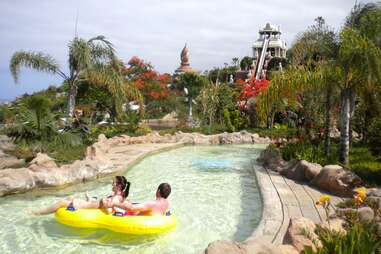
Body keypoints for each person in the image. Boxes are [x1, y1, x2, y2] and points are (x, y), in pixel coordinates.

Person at [32, 176, 130, 215]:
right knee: (70, 197)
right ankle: (43, 210)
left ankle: (38, 213)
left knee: (61, 203)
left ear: (119, 186)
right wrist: (90, 199)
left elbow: (114, 208)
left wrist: (115, 209)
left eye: (113, 183)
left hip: (83, 207)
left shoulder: (116, 198)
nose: (111, 184)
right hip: (87, 204)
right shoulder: (116, 195)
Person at [107, 183, 171, 216]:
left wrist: (115, 203)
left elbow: (131, 208)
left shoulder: (152, 203)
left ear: (158, 191)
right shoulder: (166, 203)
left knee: (113, 204)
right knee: (127, 201)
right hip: (149, 220)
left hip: (131, 218)